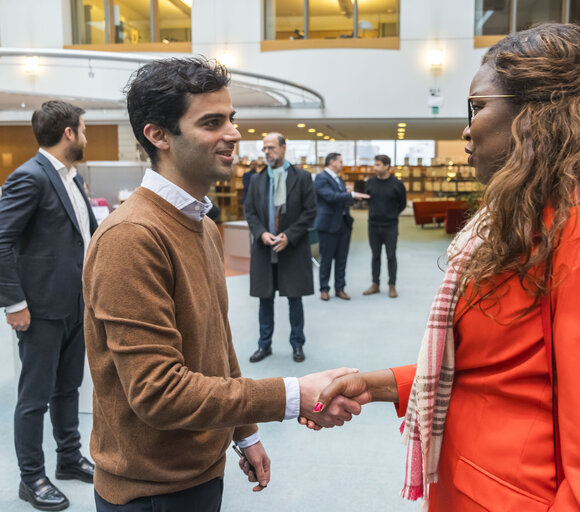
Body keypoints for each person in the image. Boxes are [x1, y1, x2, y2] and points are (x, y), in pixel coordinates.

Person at [304, 24, 580, 511]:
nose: (466, 128)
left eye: (477, 106)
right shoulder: (526, 220)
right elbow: (498, 369)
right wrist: (378, 385)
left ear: (539, 115)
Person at [82, 57, 360, 511]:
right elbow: (158, 392)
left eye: (231, 119)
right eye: (212, 122)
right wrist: (292, 395)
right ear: (158, 135)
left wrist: (245, 433)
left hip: (197, 470)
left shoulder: (202, 224)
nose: (233, 133)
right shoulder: (131, 237)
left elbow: (216, 345)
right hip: (150, 489)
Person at [0, 100, 97, 511]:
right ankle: (31, 477)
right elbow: (1, 241)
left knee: (68, 389)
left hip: (75, 304)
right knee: (34, 398)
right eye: (84, 129)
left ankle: (69, 459)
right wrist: (14, 304)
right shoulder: (30, 177)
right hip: (38, 310)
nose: (87, 136)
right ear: (69, 134)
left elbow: (80, 236)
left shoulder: (71, 178)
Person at [244, 133, 316, 364]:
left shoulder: (302, 177)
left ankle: (297, 345)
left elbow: (310, 212)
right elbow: (250, 211)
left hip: (292, 249)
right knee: (265, 300)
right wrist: (261, 233)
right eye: (264, 149)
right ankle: (264, 345)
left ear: (284, 148)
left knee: (295, 299)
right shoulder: (257, 180)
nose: (267, 152)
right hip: (265, 250)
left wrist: (290, 236)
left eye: (271, 148)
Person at [313, 152, 369, 301]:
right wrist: (351, 195)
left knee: (342, 259)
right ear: (332, 162)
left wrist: (351, 199)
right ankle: (324, 289)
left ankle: (340, 288)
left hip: (344, 224)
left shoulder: (339, 180)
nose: (342, 164)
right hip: (328, 225)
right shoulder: (321, 178)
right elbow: (330, 197)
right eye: (340, 161)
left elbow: (342, 199)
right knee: (326, 259)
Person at [362, 154, 406, 298]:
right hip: (373, 225)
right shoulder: (369, 183)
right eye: (375, 164)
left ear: (387, 166)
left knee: (391, 255)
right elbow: (367, 200)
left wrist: (391, 214)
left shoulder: (397, 184)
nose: (375, 167)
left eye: (378, 164)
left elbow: (402, 204)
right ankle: (375, 284)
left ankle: (392, 285)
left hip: (390, 225)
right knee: (375, 255)